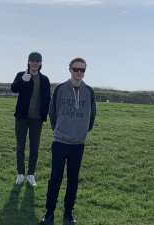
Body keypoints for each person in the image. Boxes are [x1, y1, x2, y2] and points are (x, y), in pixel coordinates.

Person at [40, 57, 96, 225]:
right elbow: (52, 113)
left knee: (73, 179)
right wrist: (59, 130)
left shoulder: (89, 91)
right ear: (69, 69)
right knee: (55, 178)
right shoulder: (60, 89)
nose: (79, 72)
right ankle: (49, 214)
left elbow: (92, 116)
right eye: (76, 69)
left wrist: (81, 132)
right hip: (60, 141)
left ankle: (68, 213)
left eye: (82, 70)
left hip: (78, 144)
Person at [11, 51, 51, 186]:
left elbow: (47, 99)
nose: (35, 63)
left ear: (40, 63)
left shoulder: (44, 79)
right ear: (28, 62)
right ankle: (21, 174)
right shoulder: (21, 75)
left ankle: (31, 175)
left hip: (37, 118)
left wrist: (45, 116)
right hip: (22, 117)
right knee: (20, 146)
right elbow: (13, 89)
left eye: (37, 61)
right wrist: (22, 80)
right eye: (32, 60)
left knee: (34, 147)